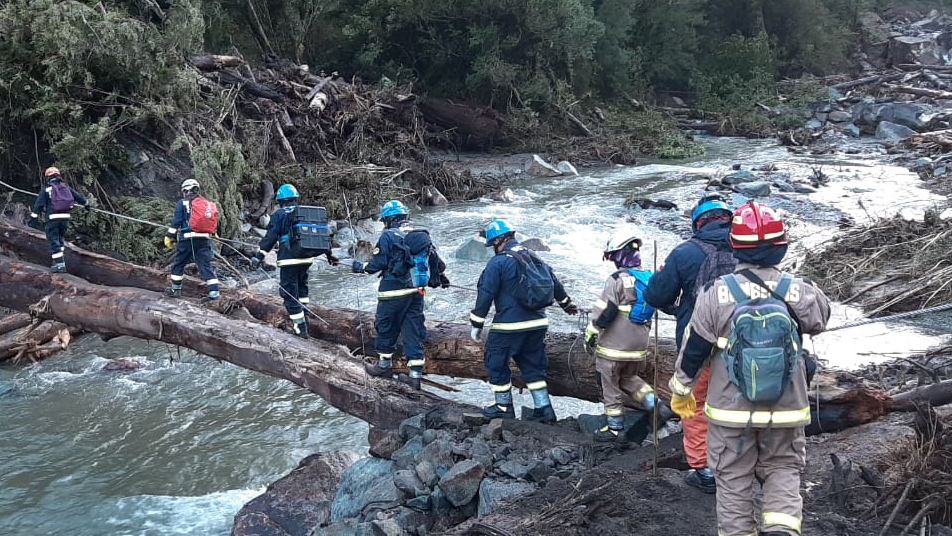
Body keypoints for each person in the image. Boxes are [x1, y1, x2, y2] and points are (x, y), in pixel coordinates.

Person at [668, 201, 830, 536]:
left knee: (732, 481)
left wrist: (681, 391)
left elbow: (694, 349)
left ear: (735, 246)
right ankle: (782, 530)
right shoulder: (799, 290)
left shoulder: (715, 294)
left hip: (731, 415)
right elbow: (822, 318)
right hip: (786, 412)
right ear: (781, 248)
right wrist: (807, 287)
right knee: (784, 470)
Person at [644, 192, 735, 492]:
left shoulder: (685, 253)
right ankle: (741, 462)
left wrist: (672, 296)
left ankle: (704, 470)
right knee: (739, 401)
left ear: (698, 223)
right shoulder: (750, 249)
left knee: (695, 406)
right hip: (745, 344)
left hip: (699, 345)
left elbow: (656, 296)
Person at [469, 219, 578, 423]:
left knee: (495, 362)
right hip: (538, 324)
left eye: (492, 244)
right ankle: (544, 409)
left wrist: (477, 323)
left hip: (509, 326)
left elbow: (485, 294)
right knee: (532, 366)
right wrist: (567, 305)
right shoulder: (533, 256)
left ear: (498, 241)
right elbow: (555, 284)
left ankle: (503, 407)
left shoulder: (499, 262)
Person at [585, 231, 673, 442]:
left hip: (614, 348)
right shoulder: (650, 277)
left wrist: (591, 333)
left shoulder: (616, 279)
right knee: (629, 378)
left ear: (619, 255)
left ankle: (614, 426)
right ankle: (655, 404)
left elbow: (604, 311)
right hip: (639, 348)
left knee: (610, 381)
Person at [352, 200, 449, 390]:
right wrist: (441, 278)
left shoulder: (388, 235)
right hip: (416, 292)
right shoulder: (419, 234)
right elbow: (436, 262)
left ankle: (384, 366)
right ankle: (415, 377)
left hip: (392, 292)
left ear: (388, 219)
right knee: (413, 330)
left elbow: (376, 265)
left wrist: (360, 268)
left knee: (385, 326)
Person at [251, 184, 339, 338]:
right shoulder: (305, 213)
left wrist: (259, 256)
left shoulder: (279, 215)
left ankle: (300, 328)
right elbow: (321, 235)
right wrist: (329, 255)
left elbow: (271, 237)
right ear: (295, 198)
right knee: (302, 289)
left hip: (289, 260)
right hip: (306, 258)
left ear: (280, 201)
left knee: (288, 293)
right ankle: (304, 317)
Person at [164, 179, 220, 301]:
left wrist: (169, 236)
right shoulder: (206, 204)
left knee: (179, 264)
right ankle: (214, 293)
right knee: (205, 266)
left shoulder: (182, 203)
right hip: (204, 239)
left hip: (187, 240)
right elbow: (211, 221)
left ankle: (175, 289)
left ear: (185, 190)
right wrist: (214, 234)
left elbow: (177, 222)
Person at [29, 167, 88, 273]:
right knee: (60, 240)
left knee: (54, 241)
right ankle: (57, 262)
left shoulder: (47, 190)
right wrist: (87, 204)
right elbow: (79, 198)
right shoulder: (66, 188)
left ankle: (60, 265)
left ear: (48, 177)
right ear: (58, 176)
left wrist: (33, 218)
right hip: (65, 218)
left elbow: (39, 206)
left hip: (52, 219)